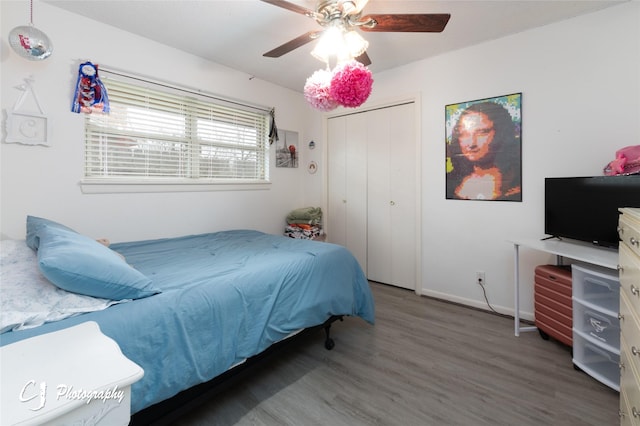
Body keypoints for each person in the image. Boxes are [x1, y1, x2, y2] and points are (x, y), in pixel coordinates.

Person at [446, 101, 521, 201]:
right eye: (463, 133)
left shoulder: (517, 183)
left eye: (482, 132)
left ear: (501, 133)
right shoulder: (450, 181)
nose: (471, 143)